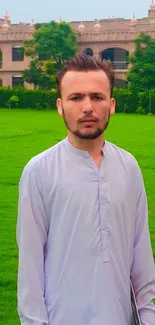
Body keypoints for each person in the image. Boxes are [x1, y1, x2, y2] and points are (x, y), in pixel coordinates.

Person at [16, 54, 155, 325]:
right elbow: (29, 272)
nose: (87, 107)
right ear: (60, 105)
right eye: (76, 98)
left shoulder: (128, 167)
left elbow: (141, 259)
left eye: (97, 97)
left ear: (111, 104)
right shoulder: (40, 171)